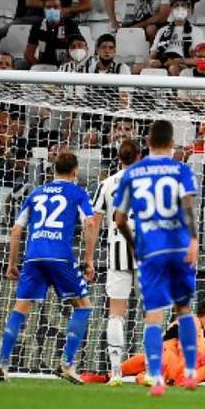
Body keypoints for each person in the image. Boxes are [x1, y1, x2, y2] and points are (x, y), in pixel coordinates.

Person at [0, 151, 100, 383]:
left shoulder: (36, 193)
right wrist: (89, 259)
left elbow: (15, 230)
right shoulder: (78, 192)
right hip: (60, 256)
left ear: (53, 170)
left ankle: (2, 363)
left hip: (33, 257)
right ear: (75, 172)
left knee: (20, 308)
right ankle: (67, 364)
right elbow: (90, 222)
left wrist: (13, 263)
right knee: (83, 306)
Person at [112, 120, 200, 397]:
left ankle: (156, 377)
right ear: (172, 143)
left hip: (150, 249)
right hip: (178, 246)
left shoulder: (133, 172)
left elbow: (119, 219)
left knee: (154, 315)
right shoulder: (181, 169)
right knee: (184, 309)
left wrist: (134, 243)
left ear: (147, 143)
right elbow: (187, 206)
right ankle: (189, 373)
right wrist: (194, 240)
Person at [90, 139, 140, 386]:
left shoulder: (106, 184)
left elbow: (94, 221)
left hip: (117, 248)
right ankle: (154, 369)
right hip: (147, 251)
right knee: (153, 311)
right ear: (139, 157)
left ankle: (116, 372)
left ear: (118, 158)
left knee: (116, 313)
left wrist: (88, 258)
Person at [147, 0, 205, 76]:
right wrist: (156, 57)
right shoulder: (163, 30)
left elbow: (200, 59)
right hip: (163, 61)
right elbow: (153, 54)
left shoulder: (196, 31)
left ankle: (176, 89)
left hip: (182, 63)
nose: (180, 8)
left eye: (183, 5)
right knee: (136, 68)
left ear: (188, 9)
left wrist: (179, 61)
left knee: (173, 68)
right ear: (171, 9)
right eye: (176, 6)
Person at [25, 0, 80, 66]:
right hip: (44, 66)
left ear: (61, 9)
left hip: (66, 66)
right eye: (48, 7)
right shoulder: (37, 25)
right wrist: (38, 68)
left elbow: (77, 50)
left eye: (56, 7)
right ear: (44, 10)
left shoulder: (70, 24)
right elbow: (29, 53)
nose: (52, 10)